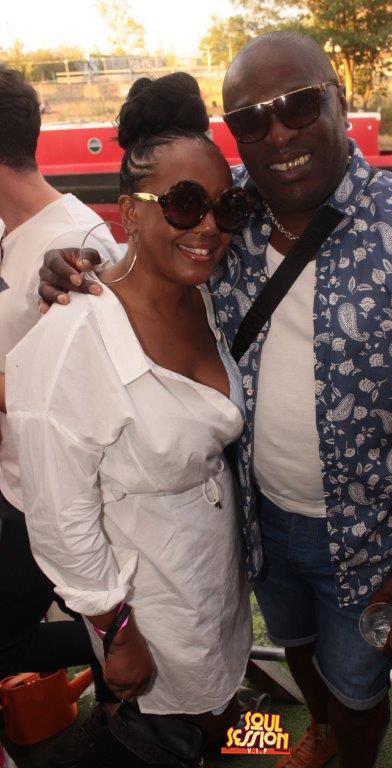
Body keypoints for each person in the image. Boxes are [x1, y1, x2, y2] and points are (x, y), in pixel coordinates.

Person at [38, 33, 392, 768]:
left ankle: (348, 750)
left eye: (299, 105)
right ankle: (316, 733)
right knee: (299, 650)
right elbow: (150, 254)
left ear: (338, 101)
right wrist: (69, 265)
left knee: (360, 691)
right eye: (252, 119)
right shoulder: (226, 217)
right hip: (256, 522)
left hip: (375, 534)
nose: (278, 133)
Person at [7, 72, 254, 767]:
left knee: (214, 715)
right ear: (129, 213)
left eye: (225, 206)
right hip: (147, 599)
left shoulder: (204, 296)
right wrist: (116, 632)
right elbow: (59, 519)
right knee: (162, 730)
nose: (208, 226)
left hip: (211, 573)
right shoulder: (74, 337)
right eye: (183, 204)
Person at [0, 64, 121, 748]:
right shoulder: (16, 230)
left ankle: (140, 644)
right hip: (17, 485)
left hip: (58, 496)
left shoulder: (75, 245)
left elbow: (80, 396)